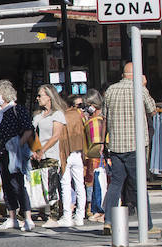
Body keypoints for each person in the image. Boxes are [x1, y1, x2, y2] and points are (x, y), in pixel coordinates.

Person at [103, 62, 155, 219]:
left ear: (123, 75)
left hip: (116, 145)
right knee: (139, 184)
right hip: (135, 145)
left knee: (116, 183)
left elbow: (104, 118)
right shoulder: (140, 89)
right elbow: (152, 109)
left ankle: (108, 220)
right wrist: (144, 85)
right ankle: (147, 223)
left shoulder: (110, 90)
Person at [0, 80, 35, 232]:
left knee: (17, 184)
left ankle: (27, 217)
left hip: (14, 153)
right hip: (1, 152)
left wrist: (18, 145)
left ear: (4, 95)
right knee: (6, 184)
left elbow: (28, 129)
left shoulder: (17, 110)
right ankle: (12, 217)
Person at [31, 84, 68, 228]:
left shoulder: (57, 114)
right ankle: (41, 211)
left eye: (40, 95)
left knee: (51, 184)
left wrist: (42, 150)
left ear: (49, 97)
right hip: (37, 154)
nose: (38, 98)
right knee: (39, 184)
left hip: (50, 154)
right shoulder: (38, 116)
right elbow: (32, 133)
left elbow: (56, 136)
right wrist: (34, 150)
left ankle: (53, 216)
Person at [57, 93, 89, 227]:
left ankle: (67, 215)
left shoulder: (62, 115)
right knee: (80, 185)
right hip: (78, 151)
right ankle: (80, 216)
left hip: (65, 152)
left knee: (65, 185)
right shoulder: (79, 115)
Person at [83, 91, 109, 223]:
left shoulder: (95, 121)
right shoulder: (95, 119)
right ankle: (97, 209)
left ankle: (100, 210)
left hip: (96, 157)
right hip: (94, 157)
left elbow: (96, 142)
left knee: (98, 184)